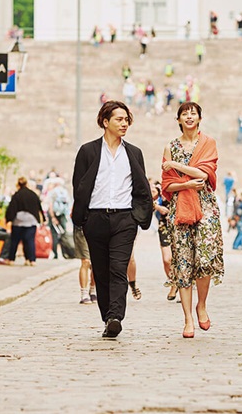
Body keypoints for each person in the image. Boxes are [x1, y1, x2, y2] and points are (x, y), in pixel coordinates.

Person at [71, 101, 153, 339]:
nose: (124, 123)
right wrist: (84, 218)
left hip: (124, 219)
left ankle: (116, 316)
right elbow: (79, 186)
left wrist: (137, 217)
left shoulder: (134, 153)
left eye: (127, 119)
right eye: (119, 119)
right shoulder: (88, 151)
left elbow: (141, 187)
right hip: (95, 218)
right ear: (105, 122)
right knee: (101, 270)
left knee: (118, 268)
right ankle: (107, 316)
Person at [161, 102, 224, 338]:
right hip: (180, 208)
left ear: (199, 118)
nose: (189, 117)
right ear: (178, 120)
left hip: (205, 205)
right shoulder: (170, 146)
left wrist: (176, 166)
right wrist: (186, 183)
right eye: (184, 114)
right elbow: (168, 185)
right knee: (184, 261)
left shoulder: (208, 143)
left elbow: (205, 174)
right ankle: (187, 319)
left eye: (193, 113)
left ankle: (202, 304)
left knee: (205, 258)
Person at [5, 177, 44, 266]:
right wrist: (42, 219)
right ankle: (31, 260)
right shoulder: (33, 194)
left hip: (18, 221)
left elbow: (12, 208)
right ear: (27, 184)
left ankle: (11, 259)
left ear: (18, 185)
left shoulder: (17, 195)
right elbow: (39, 207)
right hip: (31, 220)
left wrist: (9, 219)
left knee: (15, 240)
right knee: (30, 240)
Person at [151, 179, 178, 301]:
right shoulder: (159, 187)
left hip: (180, 225)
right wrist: (157, 206)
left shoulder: (180, 184)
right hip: (165, 226)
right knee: (167, 259)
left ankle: (182, 286)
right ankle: (173, 282)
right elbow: (145, 201)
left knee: (180, 258)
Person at [46, 178, 71, 259]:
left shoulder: (52, 192)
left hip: (54, 214)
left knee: (54, 234)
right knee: (64, 234)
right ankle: (66, 253)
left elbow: (50, 205)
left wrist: (52, 217)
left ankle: (55, 253)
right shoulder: (65, 192)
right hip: (62, 215)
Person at [72, 225, 97, 304]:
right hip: (82, 229)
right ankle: (84, 292)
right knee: (85, 261)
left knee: (96, 262)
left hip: (98, 229)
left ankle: (92, 290)